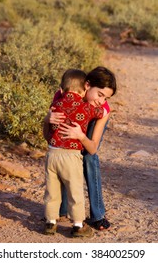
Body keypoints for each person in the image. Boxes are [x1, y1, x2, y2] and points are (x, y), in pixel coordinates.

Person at [45, 66, 117, 230]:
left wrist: (80, 136)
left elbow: (92, 148)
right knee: (65, 153)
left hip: (90, 126)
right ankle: (62, 209)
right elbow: (51, 138)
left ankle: (97, 215)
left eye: (106, 98)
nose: (101, 101)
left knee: (89, 159)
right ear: (87, 85)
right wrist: (47, 118)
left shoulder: (102, 109)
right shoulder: (63, 95)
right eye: (100, 94)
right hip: (67, 142)